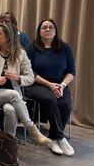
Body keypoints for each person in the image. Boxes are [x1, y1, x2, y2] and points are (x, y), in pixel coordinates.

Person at [0, 22, 49, 145]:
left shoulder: (21, 54)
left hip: (12, 97)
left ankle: (8, 144)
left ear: (8, 37)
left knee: (10, 110)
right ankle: (32, 130)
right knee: (13, 95)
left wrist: (18, 78)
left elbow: (31, 78)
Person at [24, 19, 76, 156]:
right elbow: (29, 72)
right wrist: (49, 84)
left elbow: (71, 71)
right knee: (50, 99)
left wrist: (63, 85)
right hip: (36, 84)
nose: (47, 30)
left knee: (65, 104)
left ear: (55, 30)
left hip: (59, 84)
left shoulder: (65, 48)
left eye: (51, 27)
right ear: (39, 31)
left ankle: (53, 137)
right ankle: (60, 138)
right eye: (44, 27)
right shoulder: (31, 48)